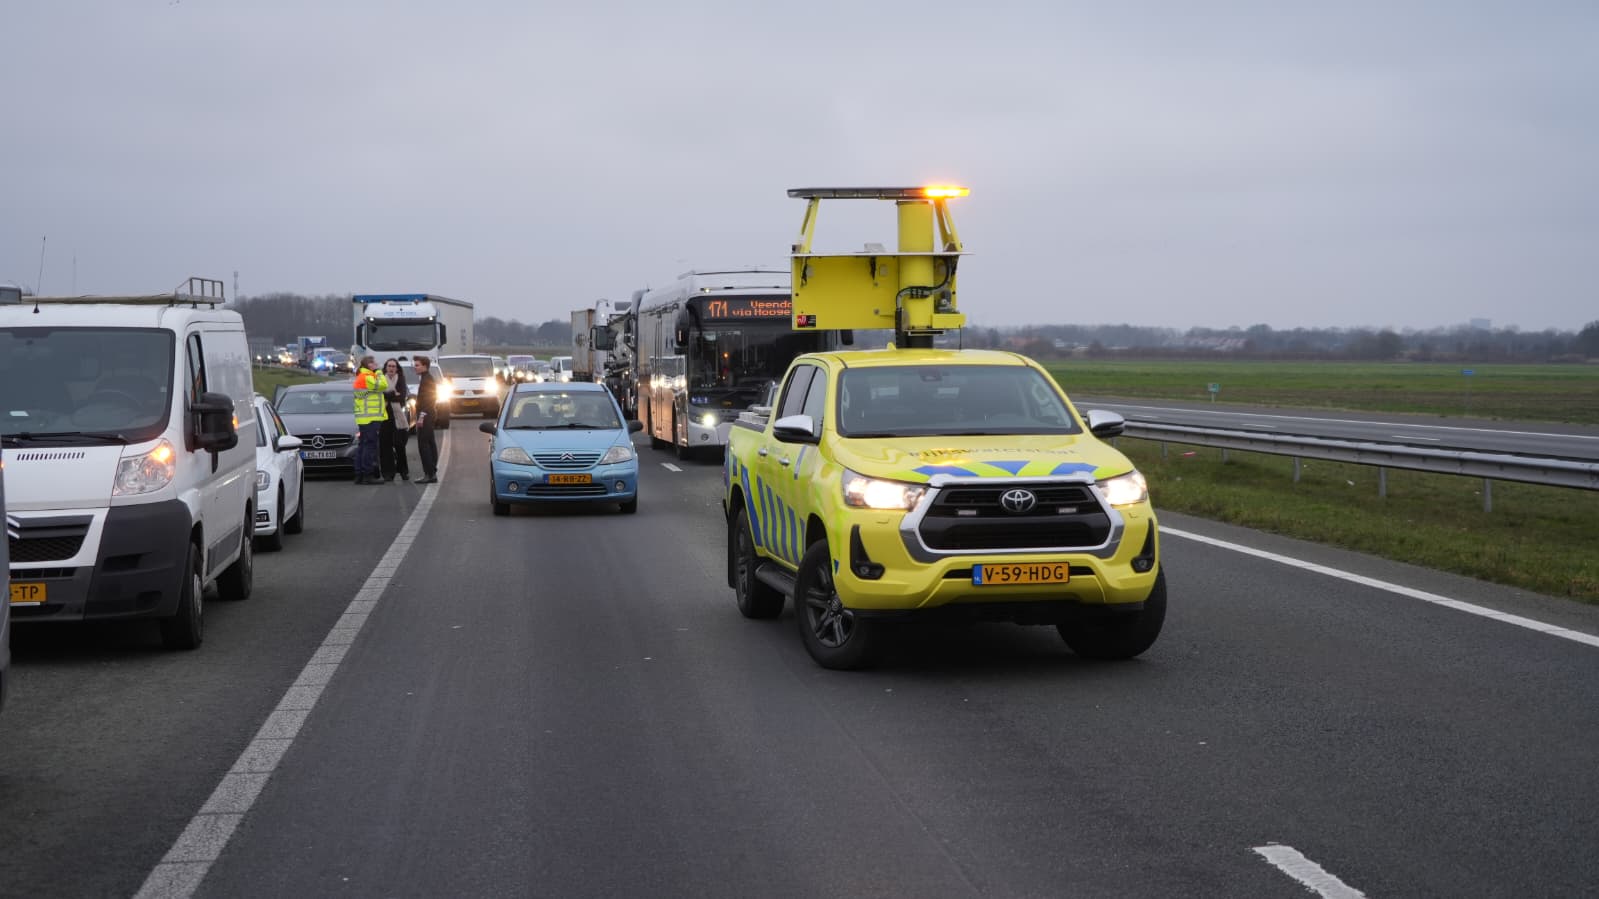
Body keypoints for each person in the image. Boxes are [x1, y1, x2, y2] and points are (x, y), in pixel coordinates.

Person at [352, 355, 390, 485]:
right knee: (369, 446)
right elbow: (384, 385)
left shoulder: (363, 376)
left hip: (364, 418)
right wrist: (379, 371)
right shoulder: (367, 377)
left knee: (363, 445)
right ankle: (367, 474)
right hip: (370, 417)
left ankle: (359, 475)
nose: (377, 364)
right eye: (375, 363)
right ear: (370, 365)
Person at [378, 358, 412, 482]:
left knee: (399, 445)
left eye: (393, 366)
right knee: (385, 445)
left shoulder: (401, 379)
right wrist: (393, 394)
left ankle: (403, 471)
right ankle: (388, 473)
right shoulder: (381, 379)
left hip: (398, 416)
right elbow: (380, 395)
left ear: (397, 368)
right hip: (385, 416)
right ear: (386, 368)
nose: (391, 368)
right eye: (389, 366)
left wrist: (388, 395)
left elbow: (402, 396)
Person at [411, 355, 440, 484]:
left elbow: (429, 400)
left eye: (417, 365)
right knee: (430, 443)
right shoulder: (425, 378)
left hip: (426, 415)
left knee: (424, 445)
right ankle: (432, 471)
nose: (415, 367)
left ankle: (430, 474)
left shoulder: (427, 379)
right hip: (429, 414)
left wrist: (421, 416)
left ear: (424, 366)